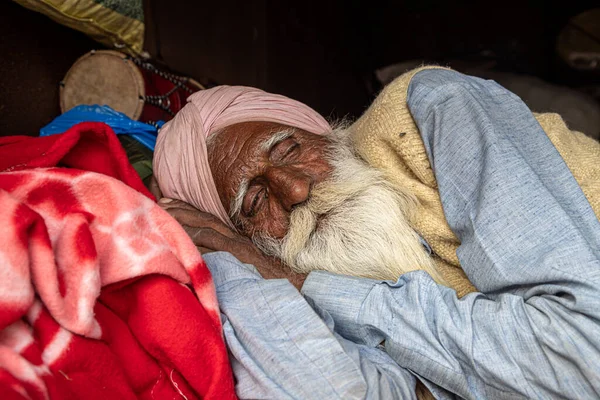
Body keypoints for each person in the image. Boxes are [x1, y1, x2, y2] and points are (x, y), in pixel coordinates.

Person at [152, 67, 600, 399]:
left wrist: (301, 283)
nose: (295, 189)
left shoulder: (432, 110)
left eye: (291, 148)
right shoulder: (335, 267)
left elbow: (583, 357)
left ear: (321, 130)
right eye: (254, 203)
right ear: (245, 240)